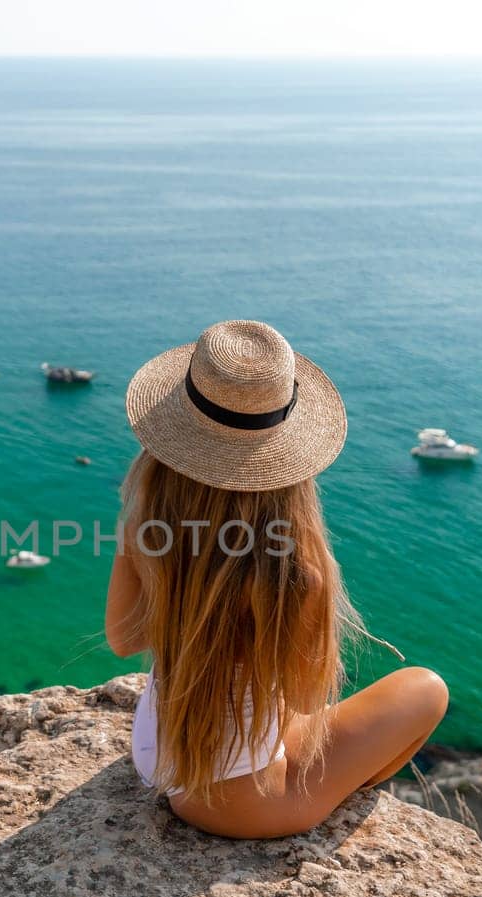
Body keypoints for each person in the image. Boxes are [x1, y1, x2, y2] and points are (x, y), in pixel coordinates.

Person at [105, 320, 448, 839]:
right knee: (426, 689)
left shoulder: (145, 534)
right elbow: (305, 699)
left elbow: (123, 639)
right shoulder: (296, 577)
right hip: (239, 804)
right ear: (288, 469)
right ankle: (331, 799)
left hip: (158, 758)